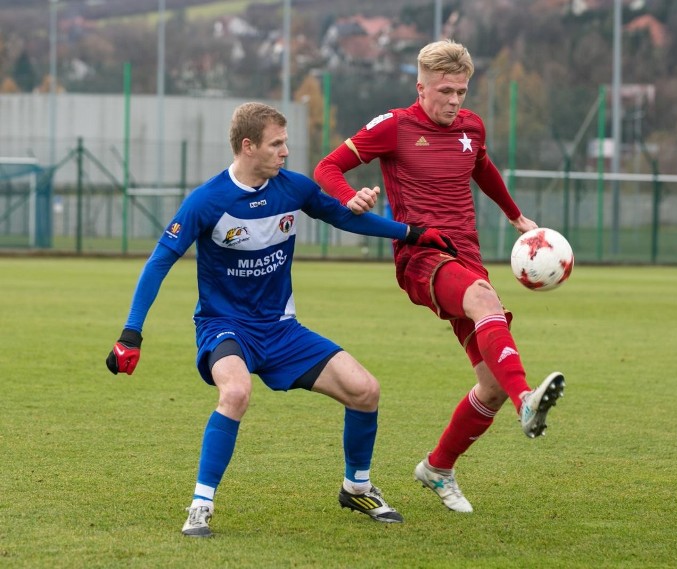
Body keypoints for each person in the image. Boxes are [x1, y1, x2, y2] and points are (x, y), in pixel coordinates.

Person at [105, 102, 456, 537]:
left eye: (285, 142)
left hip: (281, 329)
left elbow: (343, 217)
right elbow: (159, 262)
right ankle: (201, 505)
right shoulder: (207, 201)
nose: (285, 151)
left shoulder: (293, 189)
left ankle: (357, 486)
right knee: (235, 391)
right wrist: (131, 333)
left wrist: (413, 233)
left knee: (366, 391)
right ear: (248, 146)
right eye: (277, 144)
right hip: (225, 326)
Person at [314, 39, 565, 514]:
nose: (454, 101)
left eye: (462, 92)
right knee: (484, 300)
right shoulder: (394, 126)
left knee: (489, 383)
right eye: (445, 91)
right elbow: (328, 166)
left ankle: (438, 466)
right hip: (422, 256)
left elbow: (483, 168)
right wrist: (350, 197)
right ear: (421, 87)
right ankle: (526, 402)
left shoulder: (471, 127)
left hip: (467, 257)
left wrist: (516, 217)